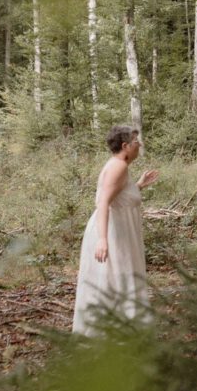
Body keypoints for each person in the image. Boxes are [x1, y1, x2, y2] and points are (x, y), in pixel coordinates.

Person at [72, 125, 159, 336]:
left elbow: (118, 198)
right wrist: (103, 239)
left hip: (117, 230)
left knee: (119, 278)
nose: (140, 145)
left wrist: (137, 186)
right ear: (125, 146)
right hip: (111, 232)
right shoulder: (118, 167)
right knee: (119, 278)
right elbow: (103, 203)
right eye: (137, 142)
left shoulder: (119, 167)